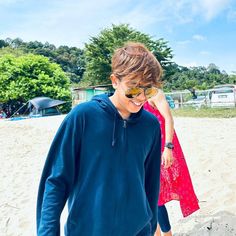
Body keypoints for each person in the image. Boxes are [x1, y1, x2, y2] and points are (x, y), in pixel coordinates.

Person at [37, 42, 163, 236]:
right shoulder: (83, 117)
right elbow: (56, 181)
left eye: (149, 90)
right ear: (115, 81)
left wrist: (150, 226)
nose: (141, 97)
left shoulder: (151, 125)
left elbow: (151, 184)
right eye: (133, 88)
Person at [143, 90, 200, 236]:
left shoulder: (155, 94)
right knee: (148, 196)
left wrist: (168, 147)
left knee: (155, 195)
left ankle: (167, 234)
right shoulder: (131, 94)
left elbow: (168, 119)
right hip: (141, 151)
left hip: (159, 148)